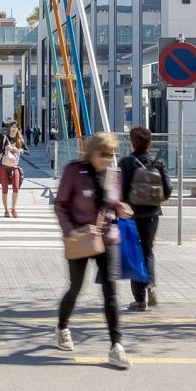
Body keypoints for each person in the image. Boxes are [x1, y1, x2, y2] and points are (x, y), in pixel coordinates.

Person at [54, 132, 130, 369]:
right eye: (104, 154)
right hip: (81, 237)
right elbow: (61, 205)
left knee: (111, 292)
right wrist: (69, 231)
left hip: (107, 237)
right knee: (76, 287)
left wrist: (121, 207)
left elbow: (111, 202)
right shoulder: (74, 171)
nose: (109, 158)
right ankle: (62, 326)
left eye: (112, 154)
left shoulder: (113, 174)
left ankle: (116, 346)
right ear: (92, 152)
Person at [119, 126, 171, 312]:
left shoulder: (126, 163)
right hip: (152, 215)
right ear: (150, 142)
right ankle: (151, 284)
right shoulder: (158, 163)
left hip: (131, 214)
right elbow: (168, 190)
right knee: (148, 251)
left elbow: (121, 190)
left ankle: (139, 300)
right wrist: (154, 201)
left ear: (132, 142)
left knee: (135, 254)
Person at [0, 121, 27, 217]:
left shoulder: (19, 139)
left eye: (16, 127)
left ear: (18, 129)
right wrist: (6, 148)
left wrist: (21, 150)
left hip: (14, 167)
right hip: (4, 166)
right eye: (12, 126)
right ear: (9, 128)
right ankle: (6, 210)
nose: (14, 128)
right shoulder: (4, 138)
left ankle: (13, 209)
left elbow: (27, 151)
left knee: (16, 187)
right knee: (4, 189)